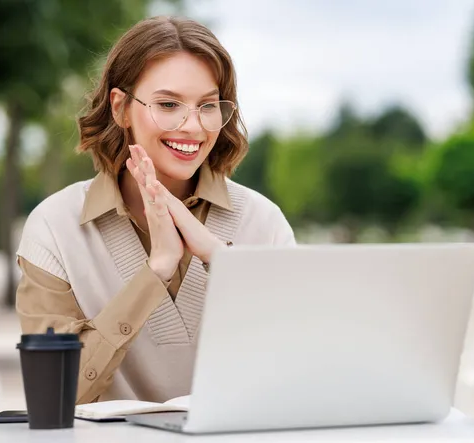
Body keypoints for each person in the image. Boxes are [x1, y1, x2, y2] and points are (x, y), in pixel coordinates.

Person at [15, 15, 295, 406]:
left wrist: (222, 262)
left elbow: (296, 373)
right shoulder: (54, 227)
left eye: (208, 106)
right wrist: (157, 270)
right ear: (120, 108)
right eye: (168, 104)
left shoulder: (263, 223)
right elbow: (52, 396)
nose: (193, 127)